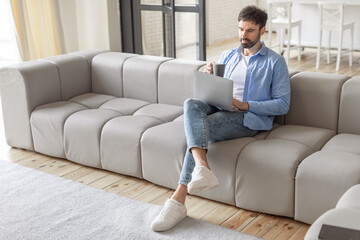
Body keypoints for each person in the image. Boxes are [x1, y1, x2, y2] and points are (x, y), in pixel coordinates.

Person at [151, 5, 290, 232]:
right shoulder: (228, 55)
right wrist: (210, 76)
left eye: (250, 31)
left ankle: (177, 201)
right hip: (219, 106)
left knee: (200, 128)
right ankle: (202, 168)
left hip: (248, 117)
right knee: (191, 104)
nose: (243, 36)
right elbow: (218, 88)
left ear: (262, 30)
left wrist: (245, 105)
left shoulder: (275, 62)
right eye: (240, 29)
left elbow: (283, 104)